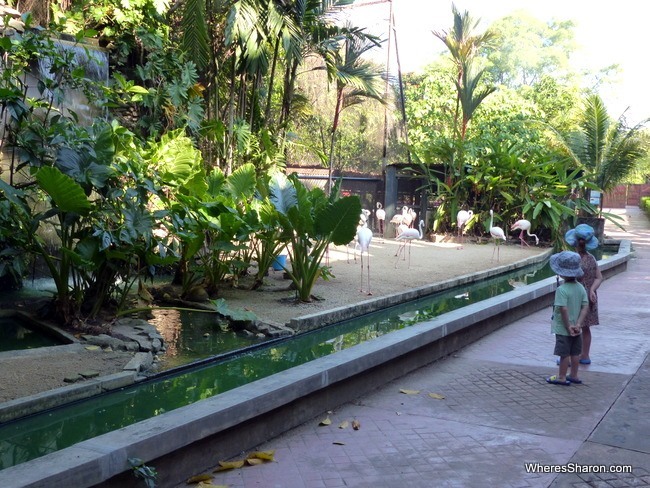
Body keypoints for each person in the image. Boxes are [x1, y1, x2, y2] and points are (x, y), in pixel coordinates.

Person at [547, 251, 589, 386]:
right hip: (577, 328)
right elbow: (585, 307)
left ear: (562, 273)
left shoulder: (562, 289)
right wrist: (578, 324)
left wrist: (568, 326)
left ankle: (561, 377)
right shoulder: (581, 287)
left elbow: (562, 308)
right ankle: (574, 375)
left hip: (563, 328)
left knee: (564, 354)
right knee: (575, 353)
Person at [565, 223, 603, 364]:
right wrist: (592, 290)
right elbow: (599, 277)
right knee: (585, 327)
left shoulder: (572, 259)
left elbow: (568, 277)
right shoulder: (591, 259)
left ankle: (568, 357)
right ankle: (585, 356)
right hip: (588, 297)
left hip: (574, 296)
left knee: (569, 326)